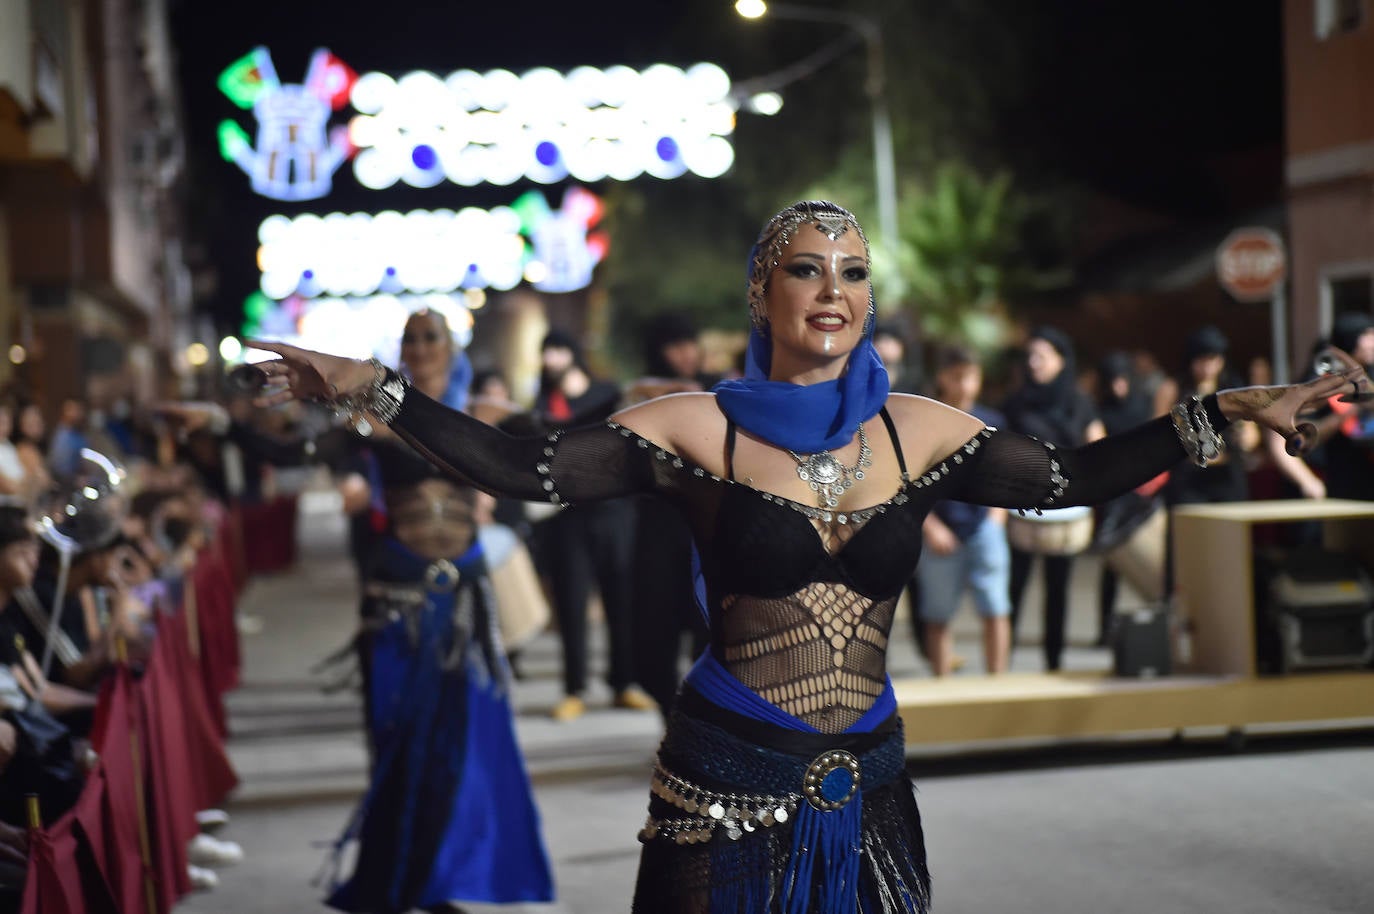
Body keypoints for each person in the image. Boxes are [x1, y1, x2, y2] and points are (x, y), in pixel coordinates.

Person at [250, 200, 1366, 913]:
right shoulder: (697, 426)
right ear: (761, 292)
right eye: (806, 268)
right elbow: (520, 467)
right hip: (729, 772)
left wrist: (1222, 411)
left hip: (870, 777)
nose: (833, 288)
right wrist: (376, 392)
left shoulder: (915, 429)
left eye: (851, 270)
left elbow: (1071, 477)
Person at [321, 309, 554, 914]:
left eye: (433, 338)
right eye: (412, 339)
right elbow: (338, 446)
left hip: (464, 601)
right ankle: (401, 881)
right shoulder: (376, 414)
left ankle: (446, 878)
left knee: (469, 745)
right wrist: (348, 466)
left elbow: (549, 453)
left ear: (452, 348)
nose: (422, 347)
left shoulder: (482, 415)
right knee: (400, 740)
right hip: (401, 602)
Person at [531, 329, 652, 721]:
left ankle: (624, 683)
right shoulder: (545, 402)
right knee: (571, 602)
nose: (552, 358)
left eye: (558, 350)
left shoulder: (606, 394)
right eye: (546, 351)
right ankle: (574, 688)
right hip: (569, 516)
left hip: (616, 511)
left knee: (622, 599)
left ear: (572, 353)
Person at [626, 313, 717, 715]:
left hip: (710, 528)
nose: (685, 355)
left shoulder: (718, 391)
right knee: (656, 625)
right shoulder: (641, 398)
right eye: (674, 347)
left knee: (711, 625)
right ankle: (670, 716)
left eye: (689, 344)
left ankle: (703, 721)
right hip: (658, 525)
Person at [1002, 326, 1105, 671]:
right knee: (1013, 589)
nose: (1034, 363)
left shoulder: (1079, 402)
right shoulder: (1016, 402)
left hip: (1066, 512)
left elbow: (1097, 446)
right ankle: (1002, 662)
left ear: (1062, 360)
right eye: (1030, 356)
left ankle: (1054, 663)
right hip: (1022, 512)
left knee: (1058, 591)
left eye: (1042, 356)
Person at [916, 345, 1011, 676]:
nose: (965, 385)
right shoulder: (926, 422)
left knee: (996, 607)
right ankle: (943, 684)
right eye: (957, 377)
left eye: (971, 376)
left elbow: (1006, 476)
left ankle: (997, 681)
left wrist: (998, 519)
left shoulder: (994, 421)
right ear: (943, 377)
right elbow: (909, 484)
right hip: (941, 526)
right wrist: (930, 527)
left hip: (985, 524)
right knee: (938, 614)